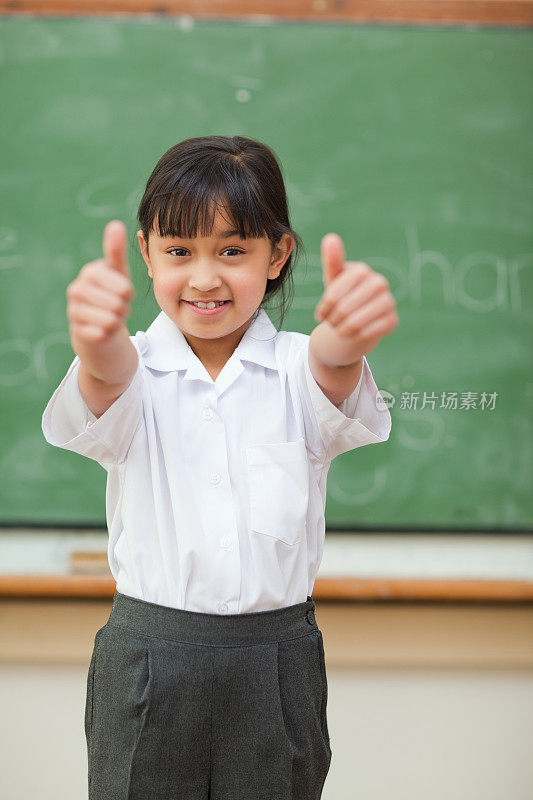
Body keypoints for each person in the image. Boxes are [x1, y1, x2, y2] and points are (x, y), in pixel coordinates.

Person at [41, 135, 398, 800]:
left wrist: (347, 342)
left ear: (277, 254)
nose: (204, 277)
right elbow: (108, 378)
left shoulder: (298, 366)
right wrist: (95, 346)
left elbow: (329, 365)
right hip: (148, 656)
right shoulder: (132, 363)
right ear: (145, 252)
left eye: (232, 250)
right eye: (180, 251)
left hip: (274, 661)